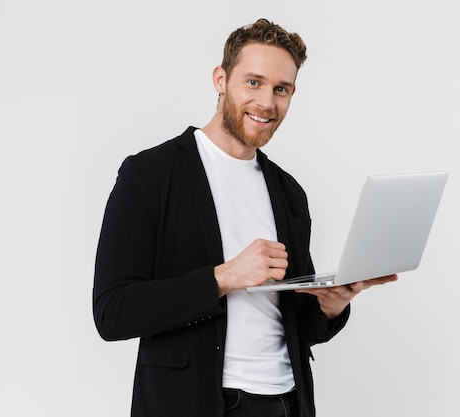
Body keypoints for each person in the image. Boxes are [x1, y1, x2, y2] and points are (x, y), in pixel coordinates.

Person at [93, 18, 397, 417]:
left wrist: (331, 305)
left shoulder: (288, 191)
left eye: (281, 89)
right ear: (221, 79)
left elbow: (299, 326)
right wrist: (225, 277)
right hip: (194, 403)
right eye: (253, 82)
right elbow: (113, 312)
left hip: (286, 401)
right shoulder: (149, 175)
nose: (267, 103)